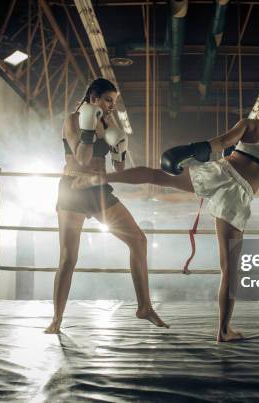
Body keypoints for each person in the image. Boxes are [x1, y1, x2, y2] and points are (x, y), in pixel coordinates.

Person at [80, 92, 259, 341]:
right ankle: (224, 331)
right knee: (230, 270)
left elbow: (217, 145)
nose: (257, 111)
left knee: (155, 175)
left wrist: (185, 152)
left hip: (221, 172)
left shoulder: (252, 125)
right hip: (241, 193)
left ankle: (100, 178)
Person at [45, 78, 168, 334]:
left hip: (99, 190)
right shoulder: (72, 120)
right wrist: (90, 128)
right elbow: (81, 159)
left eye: (114, 101)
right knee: (68, 258)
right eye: (108, 100)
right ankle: (56, 319)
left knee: (138, 240)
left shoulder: (107, 122)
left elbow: (119, 168)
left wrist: (120, 147)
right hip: (73, 189)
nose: (112, 106)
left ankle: (144, 306)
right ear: (93, 97)